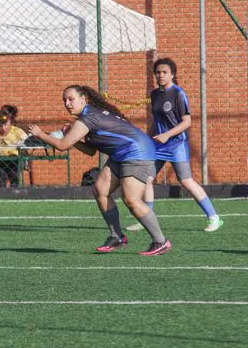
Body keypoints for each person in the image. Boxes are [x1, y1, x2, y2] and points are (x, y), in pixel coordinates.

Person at [28, 85, 172, 256]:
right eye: (64, 100)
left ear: (83, 99)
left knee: (131, 200)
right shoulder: (88, 116)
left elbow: (61, 145)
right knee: (100, 190)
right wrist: (73, 138)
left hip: (137, 153)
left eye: (71, 99)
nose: (67, 103)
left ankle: (161, 242)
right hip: (121, 155)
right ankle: (116, 237)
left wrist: (39, 134)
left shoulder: (88, 117)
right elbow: (90, 151)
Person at [126, 58, 223, 233]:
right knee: (146, 179)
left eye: (164, 72)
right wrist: (148, 139)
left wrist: (167, 135)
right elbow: (157, 121)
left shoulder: (178, 94)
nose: (161, 75)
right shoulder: (154, 94)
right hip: (158, 146)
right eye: (158, 72)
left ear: (172, 74)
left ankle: (214, 217)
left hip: (176, 144)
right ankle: (145, 219)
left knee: (186, 181)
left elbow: (186, 122)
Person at [0, 104, 28, 187]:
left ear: (11, 122)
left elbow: (28, 146)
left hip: (13, 159)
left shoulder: (17, 132)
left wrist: (18, 145)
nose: (3, 128)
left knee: (13, 172)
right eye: (0, 125)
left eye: (6, 125)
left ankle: (14, 190)